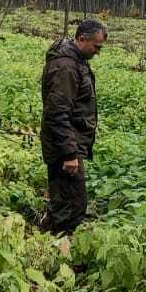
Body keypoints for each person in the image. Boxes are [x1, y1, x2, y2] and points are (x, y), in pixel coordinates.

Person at [40, 18, 106, 235]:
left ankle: (48, 240)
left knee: (66, 201)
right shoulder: (66, 66)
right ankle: (58, 250)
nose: (98, 52)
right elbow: (57, 113)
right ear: (81, 38)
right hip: (64, 147)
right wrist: (69, 154)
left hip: (68, 143)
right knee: (71, 206)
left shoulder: (76, 61)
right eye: (96, 46)